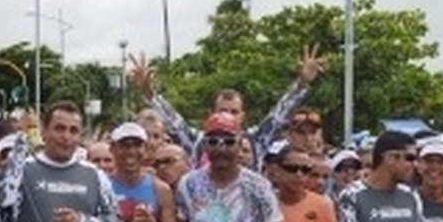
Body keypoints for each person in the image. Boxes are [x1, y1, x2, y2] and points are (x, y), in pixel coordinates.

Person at [132, 46, 324, 169]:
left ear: (243, 116)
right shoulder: (198, 142)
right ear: (211, 114)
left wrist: (302, 83)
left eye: (234, 112)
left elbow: (279, 116)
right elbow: (173, 122)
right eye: (222, 111)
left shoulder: (255, 141)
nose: (228, 116)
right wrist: (150, 94)